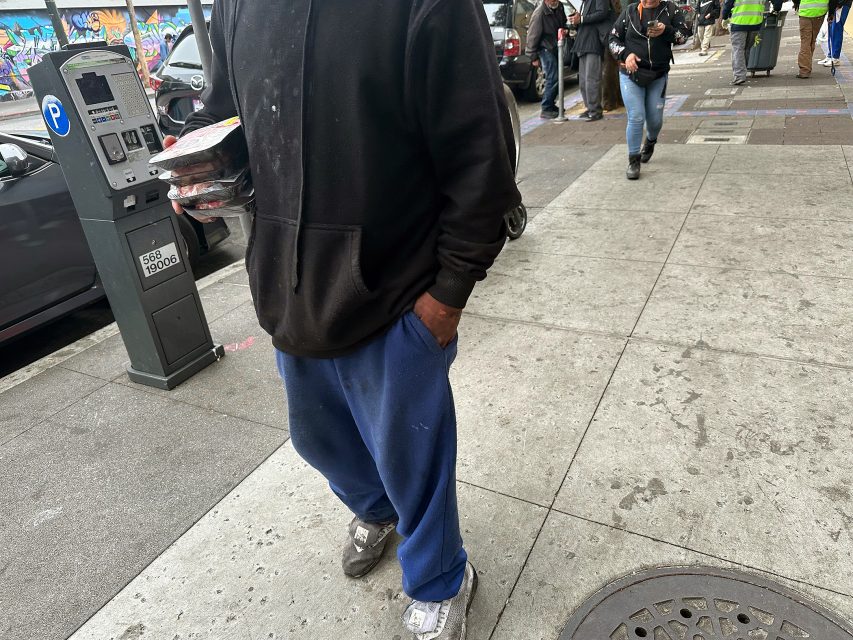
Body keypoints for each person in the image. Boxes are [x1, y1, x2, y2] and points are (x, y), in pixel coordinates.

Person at [166, 1, 522, 639]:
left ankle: (442, 578)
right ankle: (375, 509)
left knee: (413, 456)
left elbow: (481, 154)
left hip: (397, 294)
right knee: (318, 441)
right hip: (287, 289)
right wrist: (202, 168)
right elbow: (228, 114)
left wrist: (446, 296)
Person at [609, 0, 689, 179]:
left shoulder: (670, 10)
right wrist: (625, 54)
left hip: (658, 74)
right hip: (631, 73)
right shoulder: (629, 12)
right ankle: (633, 160)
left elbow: (683, 36)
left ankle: (651, 141)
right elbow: (612, 39)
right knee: (636, 116)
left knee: (654, 120)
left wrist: (666, 31)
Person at [571, 0, 613, 121]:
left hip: (593, 42)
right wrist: (576, 21)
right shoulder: (584, 3)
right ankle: (590, 107)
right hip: (582, 43)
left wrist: (582, 19)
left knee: (592, 79)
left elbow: (602, 13)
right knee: (583, 81)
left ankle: (595, 110)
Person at [723, 0, 783, 84]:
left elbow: (728, 3)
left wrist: (724, 17)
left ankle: (739, 76)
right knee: (747, 48)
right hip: (755, 23)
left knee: (738, 49)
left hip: (739, 22)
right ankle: (743, 71)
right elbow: (777, 2)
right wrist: (776, 9)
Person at [526, 0, 568, 118]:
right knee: (553, 77)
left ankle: (550, 105)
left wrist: (565, 30)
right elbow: (532, 36)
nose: (555, 1)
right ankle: (546, 107)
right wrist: (533, 56)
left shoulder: (559, 7)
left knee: (556, 77)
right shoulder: (539, 13)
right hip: (544, 48)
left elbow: (563, 23)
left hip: (554, 46)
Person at [792, 0, 835, 78]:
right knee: (812, 40)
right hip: (820, 12)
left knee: (806, 42)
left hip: (805, 13)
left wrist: (796, 3)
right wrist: (831, 13)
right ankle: (807, 66)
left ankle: (804, 70)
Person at [819, 0, 851, 66]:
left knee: (836, 29)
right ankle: (830, 56)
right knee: (831, 30)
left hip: (841, 5)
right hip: (836, 4)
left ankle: (835, 58)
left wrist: (839, 4)